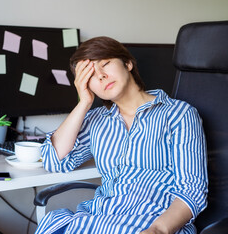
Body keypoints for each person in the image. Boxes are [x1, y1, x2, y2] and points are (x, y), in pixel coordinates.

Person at [35, 36, 208, 234]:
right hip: (99, 220)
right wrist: (83, 102)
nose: (100, 76)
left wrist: (158, 230)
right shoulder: (97, 120)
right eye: (90, 75)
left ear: (128, 63)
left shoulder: (178, 114)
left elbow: (192, 191)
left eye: (105, 64)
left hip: (151, 222)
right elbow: (54, 160)